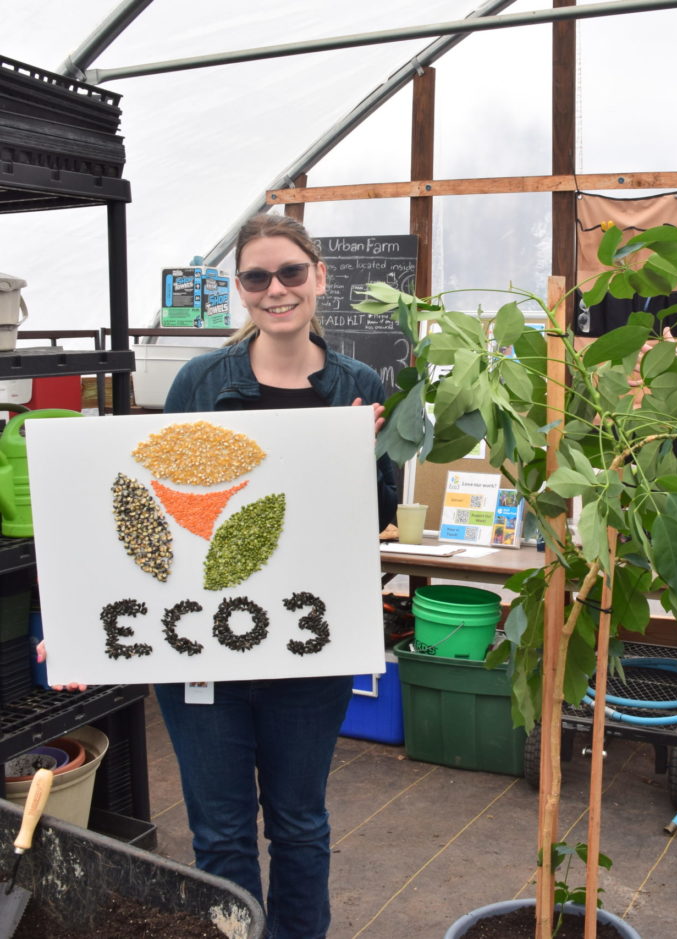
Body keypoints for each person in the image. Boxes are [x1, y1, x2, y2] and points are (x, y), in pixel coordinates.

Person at [154, 212, 398, 939]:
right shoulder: (201, 381)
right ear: (241, 290)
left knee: (298, 823)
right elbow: (163, 504)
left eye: (291, 272)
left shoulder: (356, 384)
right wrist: (88, 615)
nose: (276, 288)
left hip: (306, 639)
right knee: (221, 835)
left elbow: (379, 512)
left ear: (319, 278)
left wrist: (363, 453)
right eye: (257, 277)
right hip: (203, 647)